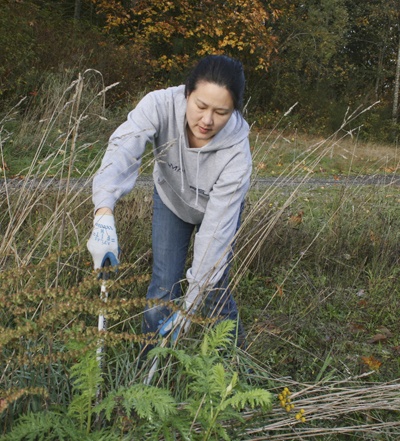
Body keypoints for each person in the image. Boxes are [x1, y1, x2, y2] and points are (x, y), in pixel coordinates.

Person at [87, 55, 252, 354]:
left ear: (234, 111)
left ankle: (234, 362)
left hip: (215, 212)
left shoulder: (237, 154)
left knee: (213, 289)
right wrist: (103, 212)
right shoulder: (159, 105)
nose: (207, 120)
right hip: (172, 202)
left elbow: (214, 238)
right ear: (187, 92)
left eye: (221, 112)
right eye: (200, 106)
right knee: (163, 286)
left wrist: (188, 310)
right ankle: (146, 370)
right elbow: (122, 150)